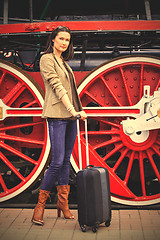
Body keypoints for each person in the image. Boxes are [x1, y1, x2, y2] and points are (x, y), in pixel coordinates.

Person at [32, 26, 87, 225]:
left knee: (65, 161)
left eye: (67, 40)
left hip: (71, 116)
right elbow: (57, 86)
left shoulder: (64, 62)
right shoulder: (47, 59)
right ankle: (40, 206)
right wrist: (73, 110)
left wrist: (76, 111)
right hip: (58, 114)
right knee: (56, 162)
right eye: (61, 38)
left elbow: (70, 89)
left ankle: (62, 204)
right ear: (53, 39)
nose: (64, 43)